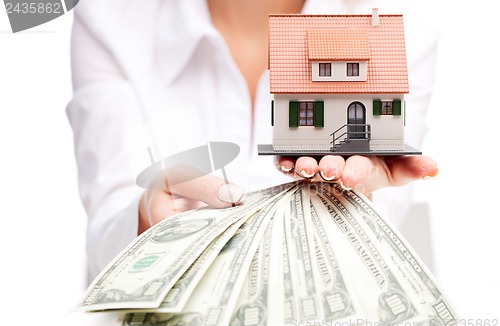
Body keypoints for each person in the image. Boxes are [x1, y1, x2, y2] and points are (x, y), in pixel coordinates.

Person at [67, 0, 439, 281]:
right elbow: (106, 223)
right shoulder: (109, 16)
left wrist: (362, 194)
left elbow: (380, 227)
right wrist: (145, 216)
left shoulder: (400, 19)